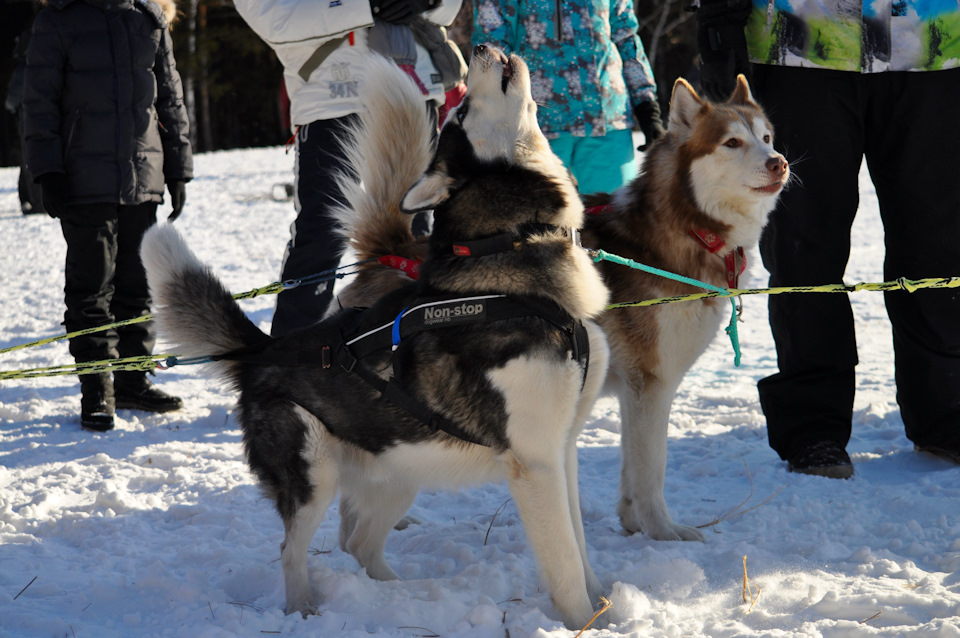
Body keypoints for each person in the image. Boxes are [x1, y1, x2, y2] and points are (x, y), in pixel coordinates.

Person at [695, 0, 960, 477]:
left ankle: (948, 411)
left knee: (938, 241)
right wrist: (718, 18)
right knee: (803, 244)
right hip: (800, 45)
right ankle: (812, 426)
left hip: (935, 42)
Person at [234, 0, 467, 337]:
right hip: (332, 93)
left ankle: (418, 346)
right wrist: (366, 5)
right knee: (323, 233)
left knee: (415, 234)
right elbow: (266, 12)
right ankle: (291, 354)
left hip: (412, 88)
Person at [23, 0, 193, 432]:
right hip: (82, 179)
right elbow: (38, 102)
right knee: (90, 289)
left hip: (142, 174)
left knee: (137, 285)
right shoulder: (58, 20)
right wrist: (47, 170)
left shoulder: (148, 19)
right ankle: (97, 389)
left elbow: (170, 98)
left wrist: (178, 168)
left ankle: (133, 380)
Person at [472, 0, 664, 196]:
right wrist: (491, 111)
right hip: (535, 126)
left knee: (614, 211)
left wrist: (646, 104)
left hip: (607, 119)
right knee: (538, 212)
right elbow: (492, 43)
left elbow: (626, 37)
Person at [5, 27, 44, 215]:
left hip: (28, 119)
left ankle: (34, 202)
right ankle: (32, 200)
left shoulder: (24, 68)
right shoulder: (48, 62)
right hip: (46, 119)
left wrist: (14, 107)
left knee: (29, 160)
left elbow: (11, 99)